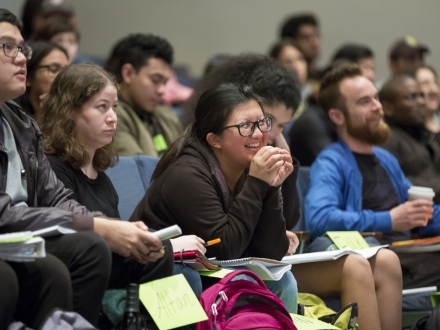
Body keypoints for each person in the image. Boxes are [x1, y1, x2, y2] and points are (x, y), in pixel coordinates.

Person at [182, 54, 402, 329]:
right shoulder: (201, 167)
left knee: (387, 261)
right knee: (354, 267)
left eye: (275, 126)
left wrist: (280, 175)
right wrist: (263, 182)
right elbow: (226, 245)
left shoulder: (255, 158)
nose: (268, 135)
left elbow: (280, 233)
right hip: (218, 269)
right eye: (261, 122)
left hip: (264, 262)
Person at [0, 8, 165, 326]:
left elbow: (55, 198)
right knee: (82, 249)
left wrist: (111, 226)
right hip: (15, 236)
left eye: (23, 48)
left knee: (151, 250)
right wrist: (98, 227)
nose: (21, 58)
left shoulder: (21, 124)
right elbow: (5, 213)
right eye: (8, 46)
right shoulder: (43, 142)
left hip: (23, 240)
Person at [39, 63, 205, 304]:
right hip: (83, 276)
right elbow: (84, 246)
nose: (112, 118)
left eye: (114, 107)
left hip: (114, 270)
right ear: (69, 112)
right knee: (177, 271)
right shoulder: (54, 168)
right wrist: (167, 248)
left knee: (182, 274)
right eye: (102, 107)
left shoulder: (102, 176)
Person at [131, 83, 299, 313]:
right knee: (245, 285)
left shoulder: (250, 169)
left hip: (211, 270)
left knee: (284, 282)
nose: (259, 134)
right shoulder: (186, 174)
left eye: (262, 122)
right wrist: (258, 184)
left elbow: (271, 254)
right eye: (245, 126)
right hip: (162, 276)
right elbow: (224, 247)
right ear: (214, 139)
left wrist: (270, 188)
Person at [305, 63, 440, 303]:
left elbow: (421, 214)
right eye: (365, 102)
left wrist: (408, 216)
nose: (378, 107)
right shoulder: (331, 162)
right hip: (380, 267)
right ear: (337, 116)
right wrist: (389, 219)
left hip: (411, 259)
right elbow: (320, 218)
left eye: (376, 98)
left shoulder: (385, 159)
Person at [106, 33, 182, 157]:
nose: (162, 90)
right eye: (155, 80)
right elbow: (138, 170)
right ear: (128, 73)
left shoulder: (167, 116)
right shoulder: (111, 117)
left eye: (165, 83)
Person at [379, 75, 440, 204]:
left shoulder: (424, 135)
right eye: (411, 97)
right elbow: (395, 185)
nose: (422, 102)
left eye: (422, 96)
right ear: (388, 108)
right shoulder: (386, 139)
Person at [14, 41, 69, 117]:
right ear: (28, 77)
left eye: (66, 71)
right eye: (54, 69)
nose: (63, 76)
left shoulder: (71, 113)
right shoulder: (13, 116)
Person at [279, 13, 321, 80]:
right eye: (306, 38)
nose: (314, 42)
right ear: (290, 43)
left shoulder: (325, 77)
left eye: (316, 36)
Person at [414, 65, 440, 133]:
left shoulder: (438, 122)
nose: (433, 89)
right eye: (425, 83)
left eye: (435, 82)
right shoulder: (410, 131)